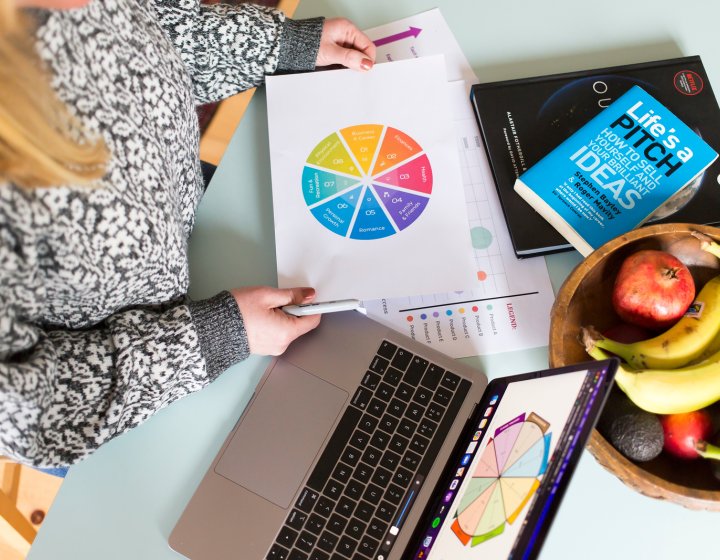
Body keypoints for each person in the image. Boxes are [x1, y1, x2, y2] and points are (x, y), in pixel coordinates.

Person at [0, 0, 376, 468]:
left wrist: (280, 45)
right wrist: (214, 337)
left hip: (184, 214)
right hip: (136, 388)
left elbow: (159, 29)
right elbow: (24, 412)